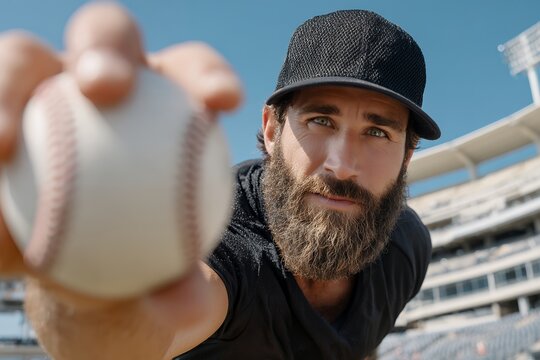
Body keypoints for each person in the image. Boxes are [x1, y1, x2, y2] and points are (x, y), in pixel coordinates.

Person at [0, 3, 440, 359]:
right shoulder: (218, 242)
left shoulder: (406, 247)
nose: (342, 165)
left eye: (378, 132)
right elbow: (128, 344)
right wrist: (84, 285)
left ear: (407, 155)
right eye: (321, 120)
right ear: (271, 130)